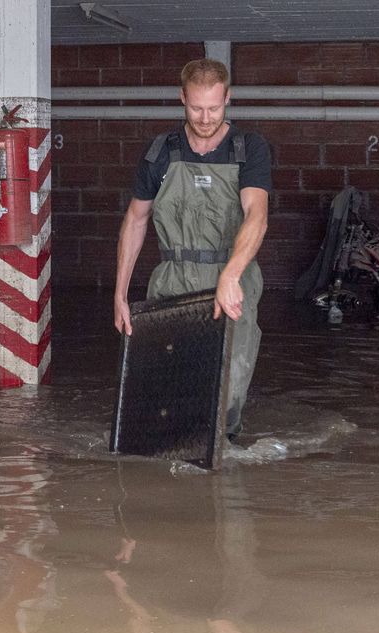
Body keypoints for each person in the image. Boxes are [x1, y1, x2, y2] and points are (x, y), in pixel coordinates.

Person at [113, 58, 272, 438]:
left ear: (228, 99)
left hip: (231, 277)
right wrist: (120, 294)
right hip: (173, 278)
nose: (205, 117)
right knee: (167, 386)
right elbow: (136, 220)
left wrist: (230, 275)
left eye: (214, 108)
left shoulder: (249, 148)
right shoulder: (160, 152)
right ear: (182, 98)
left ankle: (224, 447)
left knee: (228, 388)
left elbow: (257, 217)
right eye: (196, 108)